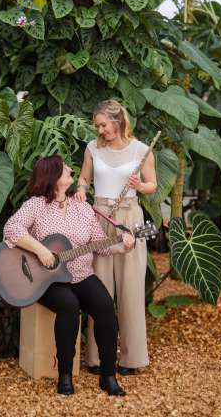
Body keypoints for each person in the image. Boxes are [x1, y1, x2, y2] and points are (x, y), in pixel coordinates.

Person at [3, 154, 135, 396]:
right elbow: (11, 229)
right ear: (52, 177)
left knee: (105, 307)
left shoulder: (82, 206)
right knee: (69, 305)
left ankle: (108, 376)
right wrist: (41, 250)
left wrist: (123, 245)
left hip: (81, 274)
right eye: (65, 169)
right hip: (46, 279)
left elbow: (99, 244)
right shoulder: (36, 205)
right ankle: (64, 375)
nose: (71, 171)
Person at [76, 99, 157, 376]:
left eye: (103, 125)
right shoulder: (92, 148)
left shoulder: (141, 149)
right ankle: (97, 358)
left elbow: (152, 185)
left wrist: (140, 186)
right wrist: (81, 191)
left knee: (130, 289)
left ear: (117, 120)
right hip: (99, 217)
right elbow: (84, 179)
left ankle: (132, 359)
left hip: (129, 218)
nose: (100, 131)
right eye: (97, 126)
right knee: (99, 289)